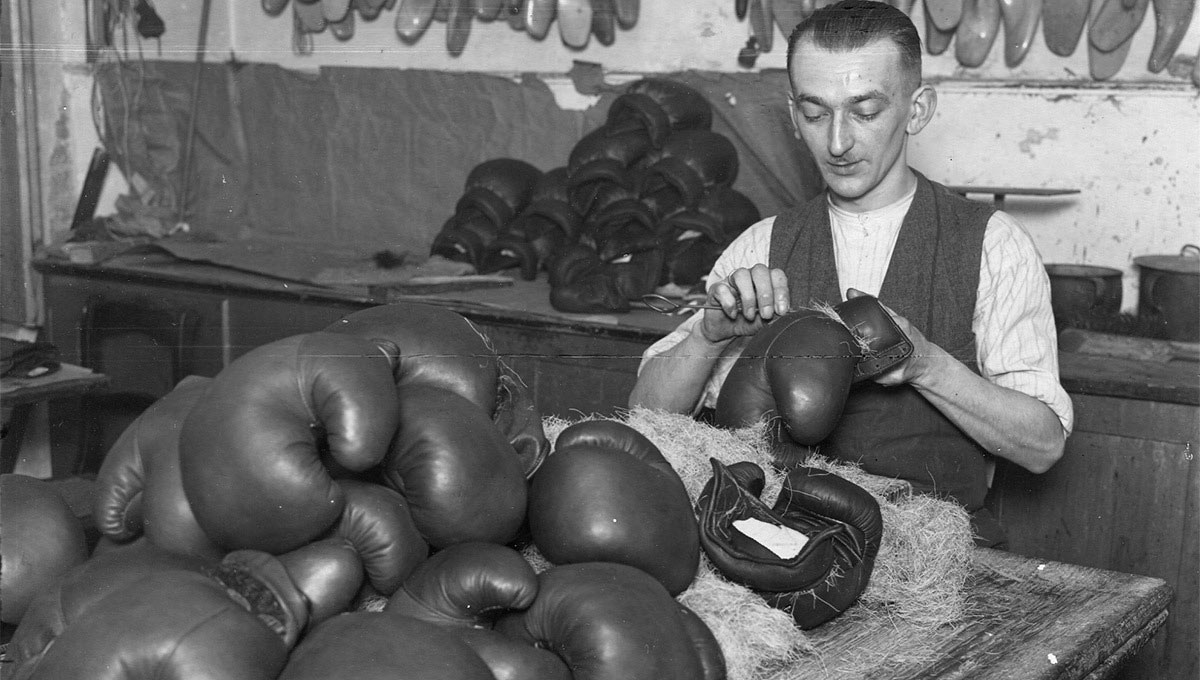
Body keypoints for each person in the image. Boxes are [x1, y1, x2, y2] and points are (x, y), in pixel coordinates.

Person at [628, 0, 1073, 547]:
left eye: (864, 111)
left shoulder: (992, 246)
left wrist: (928, 366)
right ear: (794, 115)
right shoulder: (762, 245)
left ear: (917, 110)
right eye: (816, 114)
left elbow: (1043, 445)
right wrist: (708, 334)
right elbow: (645, 418)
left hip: (934, 564)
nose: (837, 143)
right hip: (782, 552)